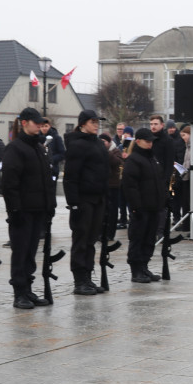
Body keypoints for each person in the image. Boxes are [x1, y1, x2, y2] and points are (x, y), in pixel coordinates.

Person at [1, 107, 57, 310]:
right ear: (24, 123)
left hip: (38, 209)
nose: (40, 126)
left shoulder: (38, 147)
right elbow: (9, 183)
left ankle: (28, 288)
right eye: (36, 122)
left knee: (31, 252)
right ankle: (19, 292)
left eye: (41, 123)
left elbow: (46, 179)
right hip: (23, 211)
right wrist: (14, 210)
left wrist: (50, 205)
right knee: (21, 252)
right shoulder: (15, 148)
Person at [63, 109, 110, 295]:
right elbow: (70, 177)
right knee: (81, 239)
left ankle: (88, 276)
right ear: (83, 124)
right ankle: (79, 279)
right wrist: (74, 203)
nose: (96, 125)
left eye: (97, 122)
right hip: (83, 199)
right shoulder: (77, 145)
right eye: (93, 122)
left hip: (98, 197)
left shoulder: (98, 143)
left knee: (91, 239)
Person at [121, 128, 166, 283]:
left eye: (151, 141)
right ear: (138, 141)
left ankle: (144, 266)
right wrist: (136, 206)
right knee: (138, 238)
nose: (150, 144)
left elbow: (159, 181)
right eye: (147, 141)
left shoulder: (152, 158)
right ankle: (136, 270)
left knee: (149, 239)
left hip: (154, 206)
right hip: (141, 208)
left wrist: (163, 199)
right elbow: (130, 186)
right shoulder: (134, 160)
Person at [99, 133, 123, 240]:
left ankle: (110, 234)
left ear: (109, 142)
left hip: (113, 185)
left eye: (104, 141)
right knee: (101, 210)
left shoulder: (115, 151)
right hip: (101, 185)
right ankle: (100, 233)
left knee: (112, 211)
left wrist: (106, 152)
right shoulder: (98, 151)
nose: (102, 144)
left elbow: (117, 162)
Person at [166, 120, 185, 222]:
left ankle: (177, 217)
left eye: (173, 127)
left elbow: (180, 158)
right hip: (167, 172)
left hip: (176, 172)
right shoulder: (165, 138)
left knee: (177, 197)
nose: (171, 130)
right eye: (170, 128)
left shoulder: (179, 140)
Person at [116, 126, 134, 228]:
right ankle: (123, 220)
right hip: (121, 176)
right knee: (121, 200)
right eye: (125, 133)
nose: (126, 135)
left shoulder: (133, 145)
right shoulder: (120, 146)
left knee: (130, 200)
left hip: (129, 176)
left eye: (128, 134)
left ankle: (131, 218)